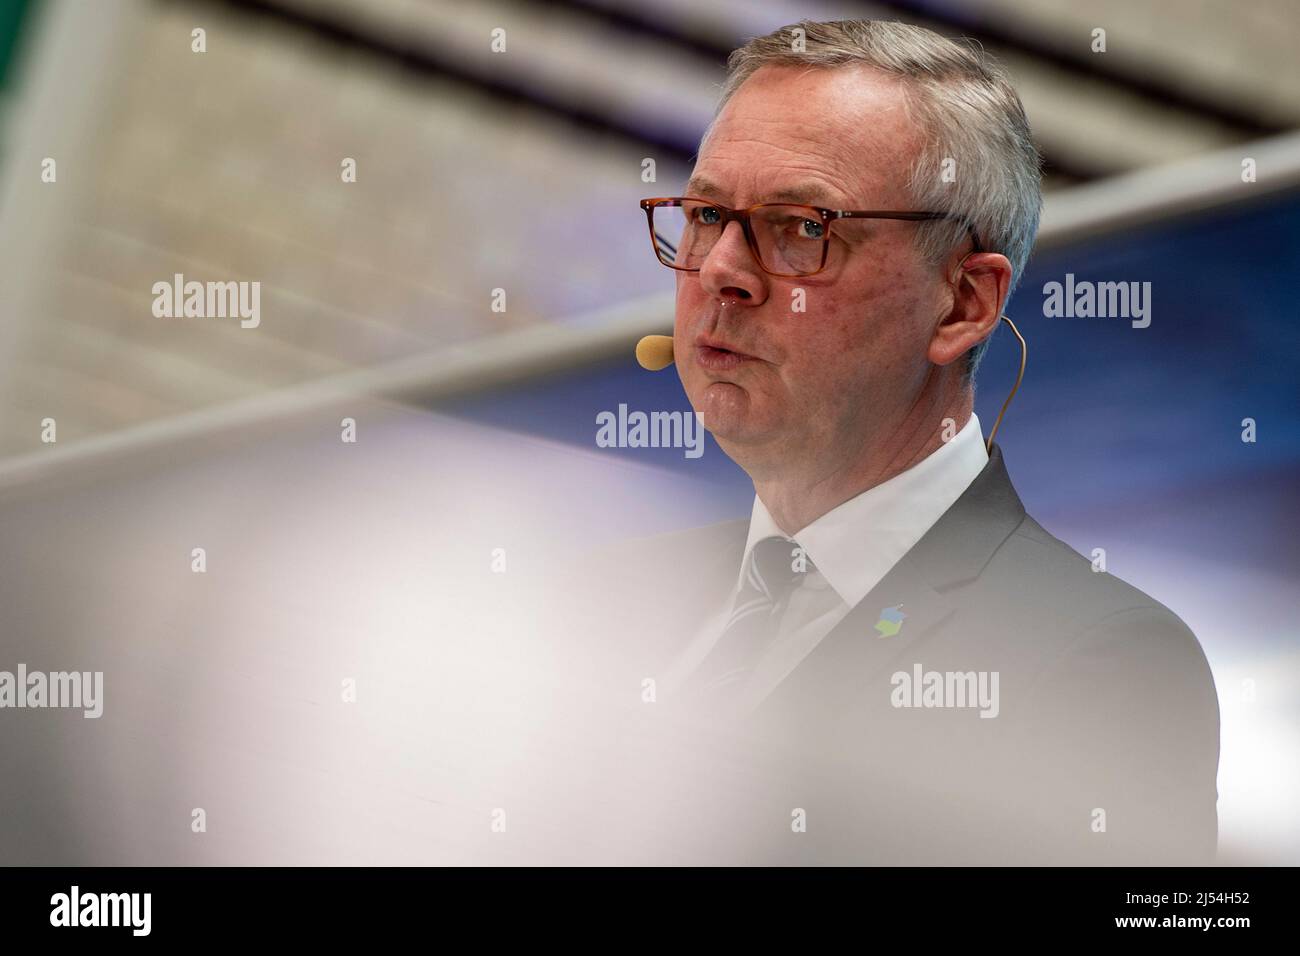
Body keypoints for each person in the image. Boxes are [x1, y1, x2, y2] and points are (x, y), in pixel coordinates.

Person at [543, 19, 1218, 865]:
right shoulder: (594, 600)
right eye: (709, 213)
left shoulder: (1100, 662)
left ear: (964, 303)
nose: (720, 268)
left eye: (803, 227)